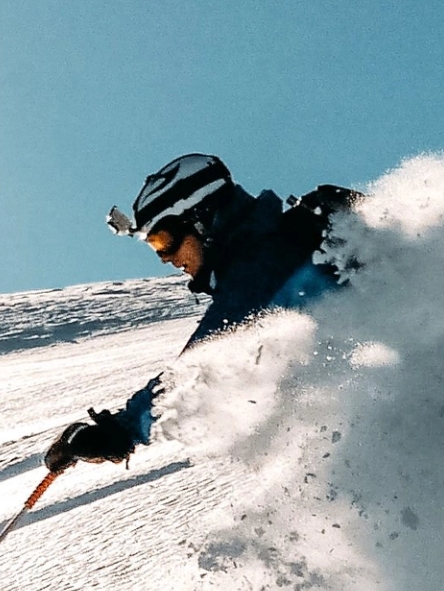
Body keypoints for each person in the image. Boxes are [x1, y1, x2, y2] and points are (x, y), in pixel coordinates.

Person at [42, 153, 356, 475]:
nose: (165, 259)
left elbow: (200, 367)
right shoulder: (268, 255)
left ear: (203, 217)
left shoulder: (267, 261)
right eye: (154, 247)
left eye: (163, 240)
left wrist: (121, 430)